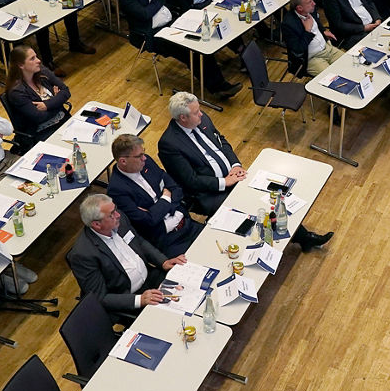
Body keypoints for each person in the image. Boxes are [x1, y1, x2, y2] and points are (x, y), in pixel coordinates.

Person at [159, 92, 334, 248]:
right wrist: (224, 182)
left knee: (269, 199)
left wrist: (235, 165)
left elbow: (222, 142)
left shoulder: (202, 120)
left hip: (233, 176)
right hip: (207, 193)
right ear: (183, 118)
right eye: (196, 112)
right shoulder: (170, 144)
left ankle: (301, 237)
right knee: (250, 212)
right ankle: (282, 243)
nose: (202, 114)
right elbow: (190, 181)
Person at [115, 0, 241, 97]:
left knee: (201, 37)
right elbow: (145, 14)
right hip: (152, 33)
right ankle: (218, 88)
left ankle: (217, 77)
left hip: (171, 20)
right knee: (191, 50)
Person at [68, 193, 185, 322]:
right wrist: (140, 300)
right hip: (129, 297)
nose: (118, 214)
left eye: (115, 209)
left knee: (189, 290)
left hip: (151, 277)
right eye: (111, 214)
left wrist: (163, 261)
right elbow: (100, 297)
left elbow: (139, 242)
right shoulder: (83, 254)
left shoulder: (119, 220)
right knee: (173, 321)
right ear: (96, 225)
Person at [108, 135, 202, 255]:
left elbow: (176, 189)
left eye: (144, 153)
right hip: (168, 240)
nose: (144, 158)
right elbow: (148, 221)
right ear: (123, 161)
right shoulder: (117, 189)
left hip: (187, 222)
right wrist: (166, 196)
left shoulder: (147, 163)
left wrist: (159, 210)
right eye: (139, 156)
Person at [4, 44, 70, 139]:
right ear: (20, 65)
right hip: (44, 132)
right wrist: (58, 101)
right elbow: (39, 118)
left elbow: (65, 91)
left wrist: (47, 105)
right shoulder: (16, 92)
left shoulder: (42, 71)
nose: (38, 60)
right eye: (32, 59)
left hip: (63, 119)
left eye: (36, 56)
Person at [283, 0, 344, 76]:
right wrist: (308, 31)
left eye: (312, 0)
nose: (314, 3)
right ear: (299, 8)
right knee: (332, 78)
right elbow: (298, 49)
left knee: (349, 63)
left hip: (327, 48)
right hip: (311, 58)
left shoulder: (310, 10)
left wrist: (323, 31)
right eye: (309, 2)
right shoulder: (289, 24)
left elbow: (317, 23)